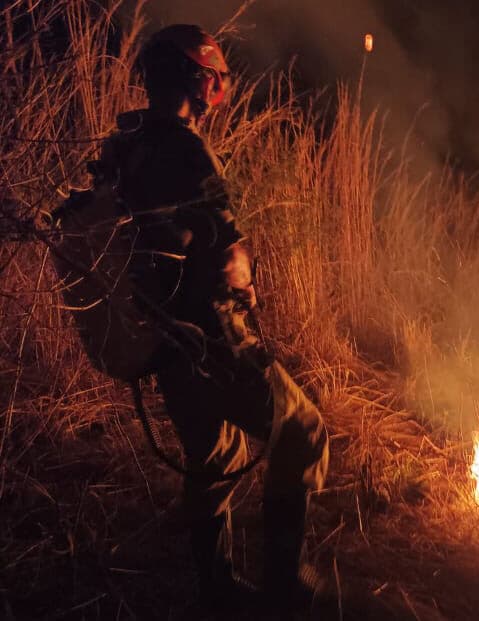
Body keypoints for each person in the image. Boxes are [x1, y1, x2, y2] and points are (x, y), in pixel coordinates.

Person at [93, 25, 330, 610]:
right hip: (210, 338)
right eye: (214, 78)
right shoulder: (184, 146)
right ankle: (285, 589)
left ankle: (216, 592)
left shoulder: (124, 144)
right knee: (303, 433)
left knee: (215, 456)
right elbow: (225, 254)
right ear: (201, 79)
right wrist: (246, 275)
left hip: (162, 339)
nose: (216, 89)